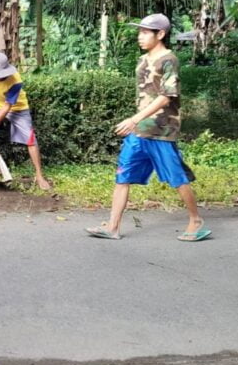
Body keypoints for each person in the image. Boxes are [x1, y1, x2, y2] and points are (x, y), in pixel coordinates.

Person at [85, 13, 210, 241]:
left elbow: (166, 97)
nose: (140, 37)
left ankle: (196, 220)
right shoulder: (143, 60)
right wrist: (136, 123)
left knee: (176, 177)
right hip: (139, 131)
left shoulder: (169, 60)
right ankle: (112, 227)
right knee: (123, 175)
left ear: (160, 34)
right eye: (139, 32)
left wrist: (133, 119)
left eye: (145, 32)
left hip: (161, 131)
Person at [0, 52, 52, 190]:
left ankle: (39, 175)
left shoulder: (15, 80)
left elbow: (7, 107)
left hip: (18, 109)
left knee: (30, 140)